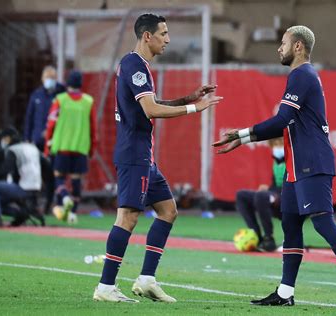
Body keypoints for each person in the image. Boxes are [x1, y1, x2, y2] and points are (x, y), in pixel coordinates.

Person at [213, 25, 336, 309]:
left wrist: (241, 134)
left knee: (323, 223)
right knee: (290, 224)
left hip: (312, 162)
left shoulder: (302, 75)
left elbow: (281, 120)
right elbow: (284, 124)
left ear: (298, 46)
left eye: (284, 43)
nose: (279, 48)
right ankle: (285, 292)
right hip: (296, 165)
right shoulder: (300, 76)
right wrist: (243, 138)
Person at [93, 13, 222, 303]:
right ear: (147, 36)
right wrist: (195, 109)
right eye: (163, 33)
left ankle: (147, 279)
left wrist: (187, 99)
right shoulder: (133, 64)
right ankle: (105, 287)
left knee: (168, 210)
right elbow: (151, 110)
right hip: (133, 155)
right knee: (127, 217)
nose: (168, 39)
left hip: (144, 157)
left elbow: (150, 105)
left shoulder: (140, 66)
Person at [44, 70, 96, 225]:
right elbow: (93, 128)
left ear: (68, 84)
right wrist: (92, 148)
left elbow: (50, 124)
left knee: (59, 177)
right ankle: (73, 215)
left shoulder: (60, 100)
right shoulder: (88, 101)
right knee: (76, 181)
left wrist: (48, 145)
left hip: (62, 146)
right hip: (80, 147)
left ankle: (65, 197)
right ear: (81, 84)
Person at [235, 137, 285, 252]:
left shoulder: (294, 159)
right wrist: (268, 189)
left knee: (261, 196)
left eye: (281, 143)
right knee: (241, 195)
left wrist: (269, 193)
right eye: (275, 144)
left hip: (291, 196)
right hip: (276, 194)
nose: (278, 147)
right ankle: (257, 236)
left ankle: (269, 239)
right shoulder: (277, 162)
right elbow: (275, 184)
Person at [0, 127, 46, 227]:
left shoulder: (14, 150)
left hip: (23, 188)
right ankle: (22, 213)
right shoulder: (32, 147)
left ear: (8, 138)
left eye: (4, 138)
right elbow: (47, 168)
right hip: (36, 187)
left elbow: (5, 171)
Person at [24, 65, 65, 152]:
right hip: (38, 140)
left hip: (56, 141)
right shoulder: (36, 95)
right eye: (47, 77)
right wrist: (27, 138)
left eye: (52, 77)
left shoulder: (62, 95)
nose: (49, 80)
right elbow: (29, 117)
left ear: (56, 78)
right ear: (42, 79)